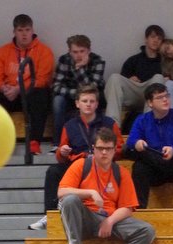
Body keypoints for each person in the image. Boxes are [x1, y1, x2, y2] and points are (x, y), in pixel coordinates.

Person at [57, 128, 155, 244]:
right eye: (100, 148)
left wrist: (110, 221)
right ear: (93, 149)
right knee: (69, 200)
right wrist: (90, 193)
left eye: (108, 149)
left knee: (146, 231)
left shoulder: (121, 173)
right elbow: (61, 192)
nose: (104, 152)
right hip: (85, 218)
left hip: (110, 218)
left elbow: (128, 207)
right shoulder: (81, 165)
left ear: (114, 150)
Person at [30, 84, 121, 231]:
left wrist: (103, 156)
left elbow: (120, 148)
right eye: (85, 101)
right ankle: (50, 214)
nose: (88, 104)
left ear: (97, 104)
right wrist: (62, 152)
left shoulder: (110, 123)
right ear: (77, 103)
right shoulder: (69, 125)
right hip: (77, 165)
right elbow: (61, 155)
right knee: (53, 171)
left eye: (92, 101)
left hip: (104, 166)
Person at [124, 82, 173, 208]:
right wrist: (137, 143)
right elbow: (131, 140)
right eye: (160, 97)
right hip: (156, 171)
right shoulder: (142, 120)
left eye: (167, 96)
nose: (165, 100)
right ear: (150, 103)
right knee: (139, 166)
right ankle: (139, 208)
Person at [0, 13, 54, 154]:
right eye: (20, 30)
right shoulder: (3, 51)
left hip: (30, 94)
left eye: (27, 30)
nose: (24, 34)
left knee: (41, 94)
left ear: (32, 31)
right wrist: (4, 88)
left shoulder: (44, 51)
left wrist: (19, 89)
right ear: (14, 32)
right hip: (8, 94)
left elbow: (42, 79)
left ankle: (34, 143)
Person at [103, 25, 166, 125]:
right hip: (134, 94)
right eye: (153, 37)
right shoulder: (133, 60)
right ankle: (112, 125)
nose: (156, 40)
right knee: (114, 78)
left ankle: (150, 125)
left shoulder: (165, 62)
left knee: (158, 78)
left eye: (159, 38)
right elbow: (121, 82)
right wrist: (129, 79)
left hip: (153, 95)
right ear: (146, 39)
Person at [50, 34, 106, 145]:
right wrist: (76, 94)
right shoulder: (64, 60)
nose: (79, 55)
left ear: (88, 51)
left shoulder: (97, 61)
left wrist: (79, 69)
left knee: (93, 99)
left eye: (82, 51)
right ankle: (58, 143)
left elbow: (92, 89)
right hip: (69, 96)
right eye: (75, 52)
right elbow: (56, 86)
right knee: (57, 100)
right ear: (69, 52)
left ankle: (93, 141)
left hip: (90, 97)